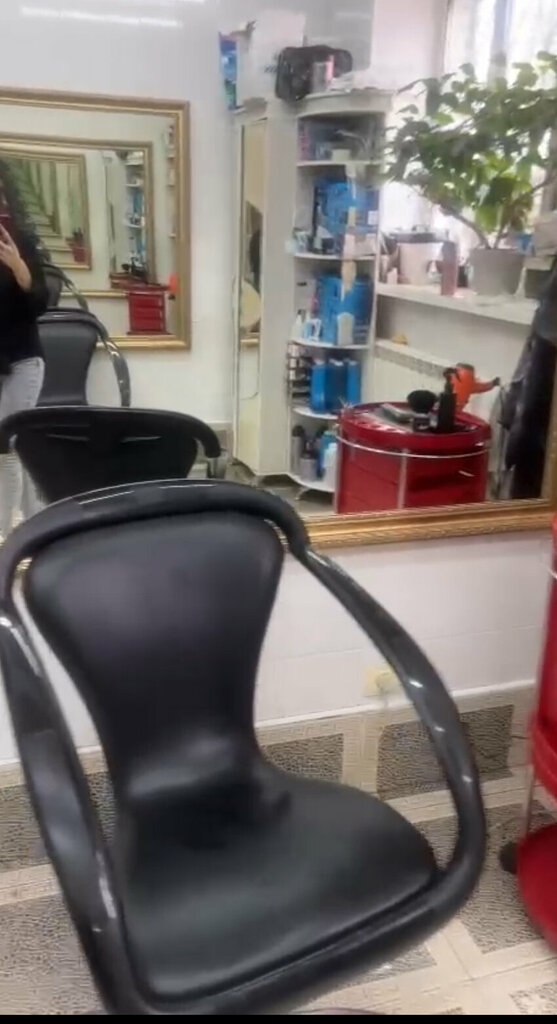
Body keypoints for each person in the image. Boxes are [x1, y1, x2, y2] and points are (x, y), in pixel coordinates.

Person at [0, 182, 48, 537]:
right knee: (18, 446)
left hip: (23, 360)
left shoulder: (23, 241)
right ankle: (39, 522)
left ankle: (5, 535)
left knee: (5, 445)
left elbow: (41, 302)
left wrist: (20, 270)